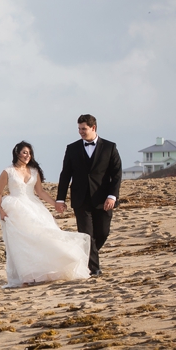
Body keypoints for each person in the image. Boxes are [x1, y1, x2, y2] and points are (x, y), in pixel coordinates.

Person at [0, 141, 91, 287]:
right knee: (21, 242)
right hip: (15, 208)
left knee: (43, 235)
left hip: (33, 206)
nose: (28, 155)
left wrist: (55, 204)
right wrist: (1, 211)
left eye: (29, 153)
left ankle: (48, 269)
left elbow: (40, 192)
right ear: (17, 153)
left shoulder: (34, 171)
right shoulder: (8, 171)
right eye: (24, 152)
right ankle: (25, 276)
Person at [55, 114, 122, 276]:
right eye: (79, 129)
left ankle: (85, 256)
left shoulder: (109, 147)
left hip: (103, 200)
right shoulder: (72, 148)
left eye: (83, 129)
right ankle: (94, 269)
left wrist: (112, 196)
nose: (80, 132)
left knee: (103, 233)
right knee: (86, 235)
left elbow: (117, 174)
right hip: (81, 200)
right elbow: (65, 175)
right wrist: (60, 198)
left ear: (93, 128)